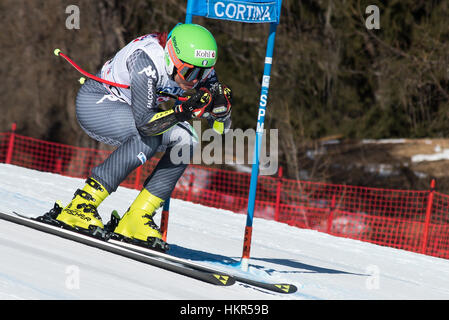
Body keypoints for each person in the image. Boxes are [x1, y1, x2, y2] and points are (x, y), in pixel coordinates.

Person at [46, 23, 232, 251]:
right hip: (97, 103)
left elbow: (220, 127)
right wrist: (183, 111)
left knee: (187, 139)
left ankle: (137, 216)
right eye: (190, 72)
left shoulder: (197, 66)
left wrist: (221, 112)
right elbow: (146, 124)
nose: (195, 80)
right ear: (172, 56)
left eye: (204, 72)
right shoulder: (146, 61)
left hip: (132, 112)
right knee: (149, 136)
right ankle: (81, 203)